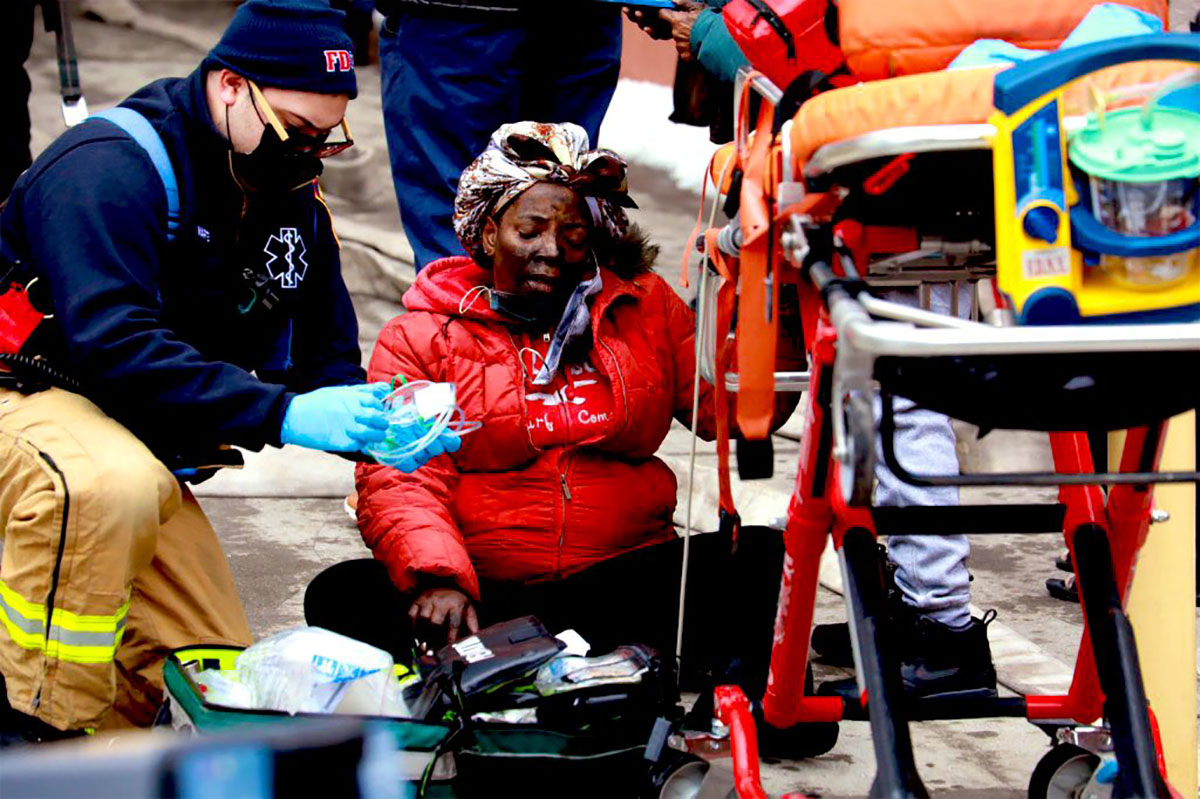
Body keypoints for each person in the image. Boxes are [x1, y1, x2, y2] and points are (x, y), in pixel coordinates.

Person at [306, 121, 837, 756]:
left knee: (758, 558)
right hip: (489, 598)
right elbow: (399, 475)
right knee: (342, 594)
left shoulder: (642, 307)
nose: (553, 248)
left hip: (619, 586)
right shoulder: (422, 336)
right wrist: (438, 578)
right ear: (485, 232)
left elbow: (728, 411)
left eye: (573, 233)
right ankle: (570, 678)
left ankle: (737, 720)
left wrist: (764, 301)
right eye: (529, 231)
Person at [0, 0, 453, 743]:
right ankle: (38, 738)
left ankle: (116, 754)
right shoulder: (109, 168)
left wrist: (379, 424)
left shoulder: (287, 196)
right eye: (296, 133)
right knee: (112, 486)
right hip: (27, 391)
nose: (308, 157)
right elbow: (115, 345)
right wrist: (283, 414)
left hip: (127, 430)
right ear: (230, 86)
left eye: (326, 139)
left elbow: (324, 358)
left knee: (224, 682)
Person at [373, 0, 623, 270]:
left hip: (454, 23)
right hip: (581, 19)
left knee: (462, 212)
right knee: (562, 193)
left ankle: (466, 308)